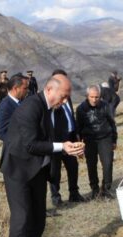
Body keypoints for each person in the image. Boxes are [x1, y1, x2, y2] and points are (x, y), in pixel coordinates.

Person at [0, 74, 84, 237]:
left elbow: (47, 138)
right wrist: (61, 147)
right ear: (49, 90)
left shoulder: (46, 107)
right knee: (22, 217)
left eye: (67, 98)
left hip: (36, 169)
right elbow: (30, 144)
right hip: (18, 170)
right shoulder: (32, 107)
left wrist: (68, 148)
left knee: (38, 215)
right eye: (63, 97)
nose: (64, 102)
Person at [47, 69, 84, 206]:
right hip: (57, 140)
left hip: (71, 136)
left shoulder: (67, 98)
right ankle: (56, 198)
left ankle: (74, 193)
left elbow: (71, 117)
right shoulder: (52, 100)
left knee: (73, 167)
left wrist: (76, 136)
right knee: (55, 171)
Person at [76, 85, 117, 199]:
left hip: (105, 138)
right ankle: (94, 189)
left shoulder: (105, 106)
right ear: (87, 96)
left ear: (100, 96)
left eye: (97, 97)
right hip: (89, 140)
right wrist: (79, 143)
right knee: (91, 165)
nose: (94, 99)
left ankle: (106, 189)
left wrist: (114, 140)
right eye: (92, 97)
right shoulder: (80, 109)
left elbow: (112, 123)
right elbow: (78, 127)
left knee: (108, 163)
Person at [0, 74, 29, 141]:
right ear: (15, 89)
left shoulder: (23, 101)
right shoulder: (5, 107)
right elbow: (1, 133)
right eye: (25, 88)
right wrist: (21, 142)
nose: (27, 90)